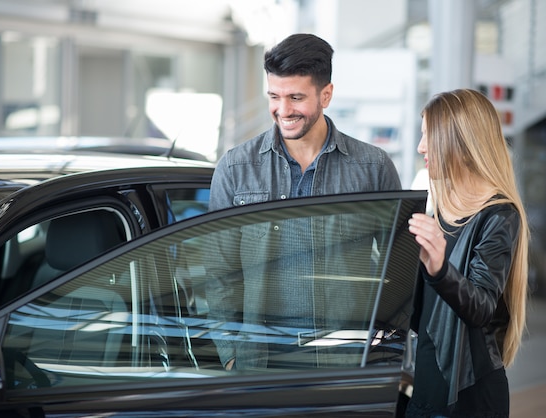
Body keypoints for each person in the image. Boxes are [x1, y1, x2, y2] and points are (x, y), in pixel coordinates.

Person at [206, 33, 402, 371]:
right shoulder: (236, 170)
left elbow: (399, 271)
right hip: (261, 364)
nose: (283, 110)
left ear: (326, 95)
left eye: (296, 97)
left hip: (345, 363)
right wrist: (231, 355)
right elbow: (219, 274)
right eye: (274, 96)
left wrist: (383, 347)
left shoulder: (373, 169)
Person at [406, 89, 529, 417]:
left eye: (429, 137)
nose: (421, 148)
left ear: (459, 141)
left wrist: (439, 269)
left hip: (470, 397)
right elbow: (422, 317)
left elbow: (480, 309)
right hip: (425, 387)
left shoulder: (499, 214)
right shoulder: (438, 210)